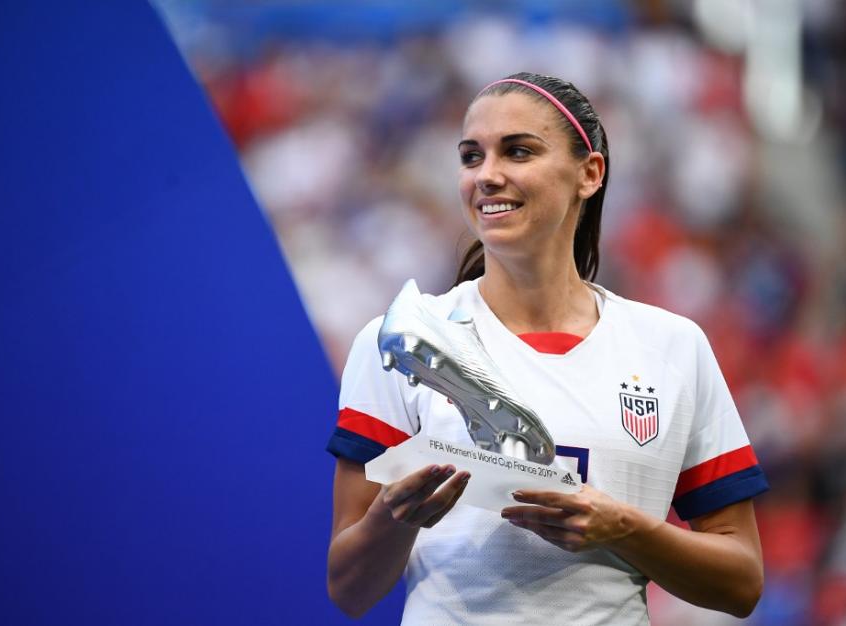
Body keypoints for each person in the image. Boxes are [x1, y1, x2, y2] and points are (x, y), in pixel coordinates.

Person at [325, 72, 768, 625]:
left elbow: (743, 581)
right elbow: (348, 588)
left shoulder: (673, 347)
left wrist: (624, 528)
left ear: (590, 173)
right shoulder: (405, 341)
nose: (487, 175)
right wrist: (396, 519)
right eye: (471, 157)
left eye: (517, 151)